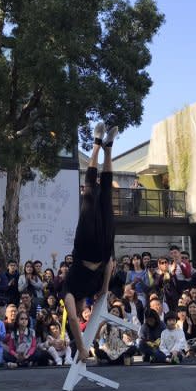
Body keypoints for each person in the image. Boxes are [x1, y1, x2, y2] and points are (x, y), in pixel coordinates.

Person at [62, 122, 118, 362]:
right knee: (105, 196)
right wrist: (106, 283)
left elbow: (73, 319)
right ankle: (108, 150)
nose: (84, 307)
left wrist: (82, 348)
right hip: (104, 250)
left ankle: (95, 146)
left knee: (89, 196)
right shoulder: (96, 291)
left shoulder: (68, 291)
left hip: (84, 247)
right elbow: (108, 271)